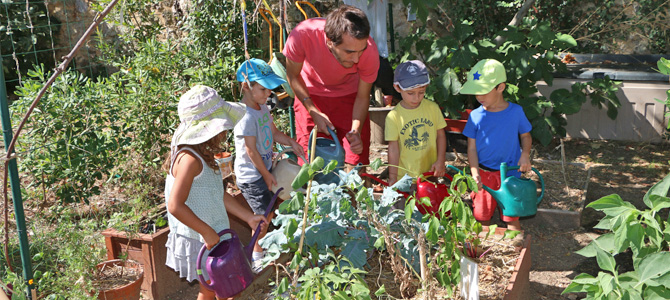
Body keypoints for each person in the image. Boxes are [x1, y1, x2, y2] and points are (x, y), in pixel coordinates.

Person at [164, 85, 268, 300]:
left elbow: (216, 193)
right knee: (218, 288)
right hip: (200, 238)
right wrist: (206, 232)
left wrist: (248, 217)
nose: (224, 132)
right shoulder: (190, 160)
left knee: (219, 288)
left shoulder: (203, 155)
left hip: (212, 234)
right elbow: (175, 205)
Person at [283, 5, 380, 168]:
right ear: (329, 42)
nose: (356, 59)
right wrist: (312, 110)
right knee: (308, 159)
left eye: (360, 51)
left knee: (356, 161)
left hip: (350, 96)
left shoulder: (369, 51)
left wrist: (355, 131)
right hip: (309, 94)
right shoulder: (302, 35)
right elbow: (292, 75)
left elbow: (363, 97)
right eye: (349, 52)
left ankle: (352, 193)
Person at [233, 58, 305, 272]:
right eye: (263, 89)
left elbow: (273, 133)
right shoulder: (245, 116)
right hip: (252, 176)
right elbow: (250, 150)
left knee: (271, 209)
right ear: (246, 86)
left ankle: (265, 248)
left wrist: (291, 142)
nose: (268, 95)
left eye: (269, 90)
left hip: (264, 170)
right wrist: (265, 175)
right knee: (262, 218)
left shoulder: (262, 108)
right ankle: (256, 256)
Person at [460, 59, 533, 232]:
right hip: (484, 175)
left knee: (511, 215)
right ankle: (483, 250)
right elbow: (471, 148)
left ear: (500, 87)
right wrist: (475, 172)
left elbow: (526, 136)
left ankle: (516, 247)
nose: (479, 97)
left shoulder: (515, 112)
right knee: (482, 215)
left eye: (483, 92)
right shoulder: (475, 116)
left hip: (510, 174)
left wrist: (525, 154)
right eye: (476, 93)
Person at [385, 60, 447, 185]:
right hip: (404, 178)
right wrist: (393, 177)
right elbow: (393, 149)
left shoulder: (433, 108)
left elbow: (440, 136)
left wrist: (440, 160)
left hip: (430, 173)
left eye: (421, 92)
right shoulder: (393, 117)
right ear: (397, 87)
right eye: (410, 93)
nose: (416, 97)